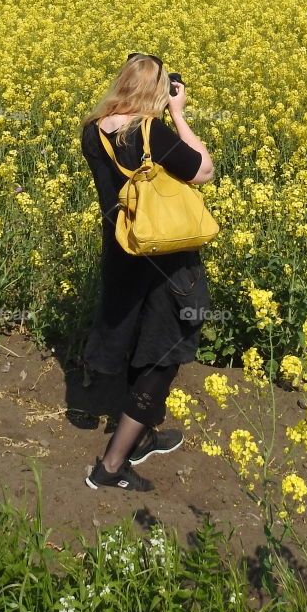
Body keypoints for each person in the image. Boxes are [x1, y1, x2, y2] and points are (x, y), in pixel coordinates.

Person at [80, 52, 215, 491]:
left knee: (134, 340)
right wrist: (177, 114)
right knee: (162, 352)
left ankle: (144, 436)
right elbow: (203, 171)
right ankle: (112, 465)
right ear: (156, 90)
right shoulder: (151, 132)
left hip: (122, 253)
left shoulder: (92, 131)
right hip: (164, 261)